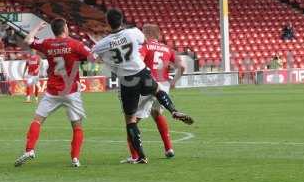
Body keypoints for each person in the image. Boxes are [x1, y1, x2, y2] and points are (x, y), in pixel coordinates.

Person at [92, 9, 193, 164]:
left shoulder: (102, 43)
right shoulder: (133, 32)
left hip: (127, 81)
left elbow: (92, 58)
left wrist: (106, 56)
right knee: (158, 92)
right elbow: (143, 42)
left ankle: (140, 156)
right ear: (122, 20)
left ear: (108, 23)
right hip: (143, 73)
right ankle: (173, 110)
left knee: (130, 120)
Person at [14, 19, 91, 168]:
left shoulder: (48, 43)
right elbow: (93, 57)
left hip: (53, 91)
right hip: (71, 91)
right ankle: (75, 158)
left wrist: (36, 28)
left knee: (37, 120)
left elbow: (28, 40)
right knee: (77, 125)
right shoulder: (75, 44)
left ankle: (30, 150)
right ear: (65, 28)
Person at [121, 24, 185, 163]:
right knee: (157, 114)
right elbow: (183, 66)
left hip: (148, 85)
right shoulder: (168, 49)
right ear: (158, 35)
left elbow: (137, 62)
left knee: (132, 121)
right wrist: (174, 81)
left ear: (146, 33)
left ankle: (135, 156)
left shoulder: (144, 46)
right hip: (164, 87)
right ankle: (169, 149)